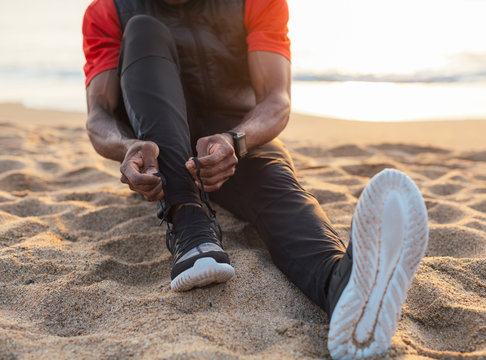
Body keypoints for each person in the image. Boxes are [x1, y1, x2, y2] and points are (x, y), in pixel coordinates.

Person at [82, 0, 429, 358]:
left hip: (235, 134)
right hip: (160, 145)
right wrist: (128, 147)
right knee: (142, 28)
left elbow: (276, 99)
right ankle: (191, 228)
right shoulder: (109, 10)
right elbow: (99, 117)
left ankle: (341, 289)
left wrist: (237, 139)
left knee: (280, 192)